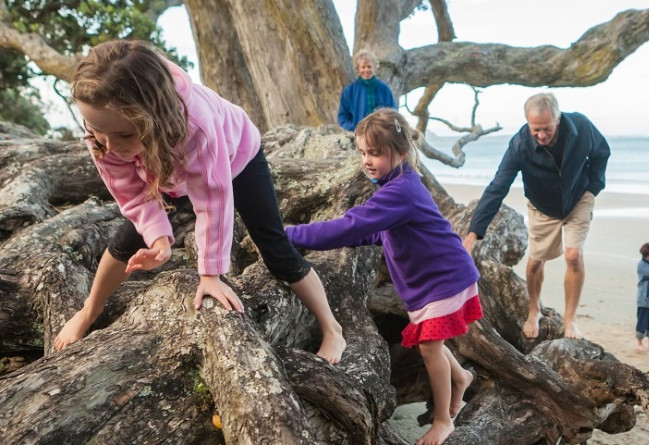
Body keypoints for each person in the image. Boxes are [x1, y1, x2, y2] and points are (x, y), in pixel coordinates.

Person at [52, 40, 346, 364]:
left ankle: (332, 329)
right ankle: (89, 310)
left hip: (236, 159)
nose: (110, 146)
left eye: (124, 135)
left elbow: (213, 200)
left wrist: (210, 276)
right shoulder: (105, 132)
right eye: (96, 131)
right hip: (163, 168)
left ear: (154, 115)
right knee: (125, 240)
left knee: (274, 246)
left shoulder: (197, 127)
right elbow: (131, 194)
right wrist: (159, 239)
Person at [285, 109, 482, 445]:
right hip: (432, 280)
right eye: (362, 152)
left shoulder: (401, 190)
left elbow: (350, 226)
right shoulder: (398, 185)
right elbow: (377, 233)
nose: (367, 160)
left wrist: (291, 234)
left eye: (375, 153)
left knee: (429, 347)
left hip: (443, 278)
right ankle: (461, 377)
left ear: (401, 153)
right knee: (429, 339)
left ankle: (443, 420)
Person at [463, 92, 610, 339]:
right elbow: (498, 186)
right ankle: (534, 310)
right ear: (527, 122)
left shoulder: (581, 127)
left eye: (547, 129)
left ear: (558, 119)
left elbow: (601, 152)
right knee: (535, 261)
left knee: (573, 255)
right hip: (542, 205)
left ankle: (570, 319)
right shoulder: (519, 145)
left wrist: (594, 187)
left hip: (578, 197)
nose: (541, 135)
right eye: (535, 130)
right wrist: (472, 234)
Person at [337, 50, 396, 131]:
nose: (366, 70)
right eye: (363, 67)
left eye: (369, 66)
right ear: (358, 69)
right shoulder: (349, 91)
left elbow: (393, 112)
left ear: (374, 67)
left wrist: (385, 129)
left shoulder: (384, 89)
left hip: (381, 135)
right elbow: (342, 116)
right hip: (357, 135)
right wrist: (354, 128)